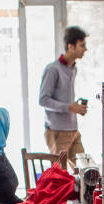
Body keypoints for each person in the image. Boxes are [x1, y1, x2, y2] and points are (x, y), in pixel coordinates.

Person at [39, 26, 88, 165]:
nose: (85, 49)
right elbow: (43, 100)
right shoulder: (52, 69)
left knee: (84, 169)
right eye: (82, 45)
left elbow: (65, 99)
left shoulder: (73, 68)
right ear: (70, 46)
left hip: (73, 130)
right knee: (61, 177)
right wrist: (69, 108)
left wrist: (76, 108)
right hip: (57, 132)